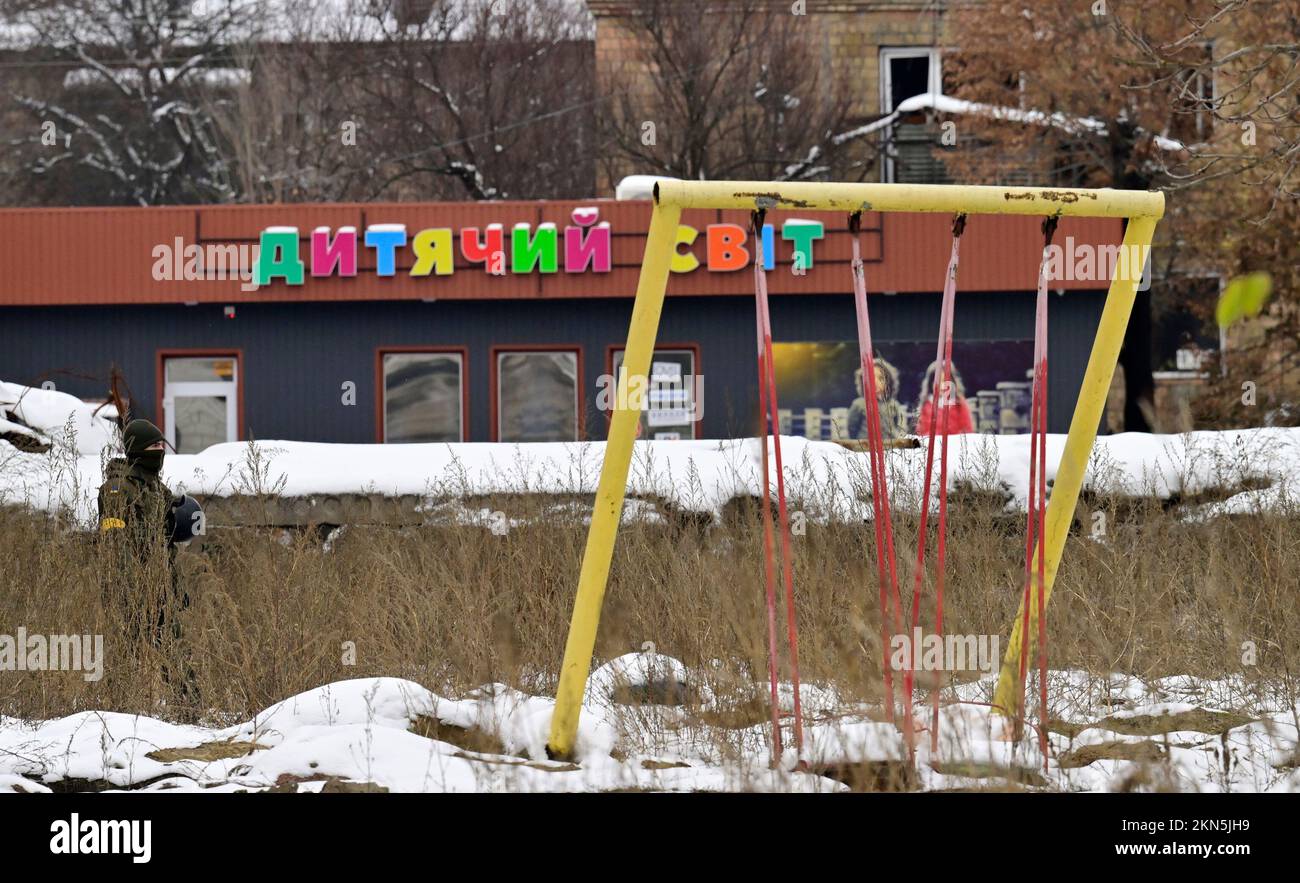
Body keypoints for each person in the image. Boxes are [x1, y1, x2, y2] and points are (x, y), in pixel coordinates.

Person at [97, 418, 198, 710]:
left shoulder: (157, 489)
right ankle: (120, 712)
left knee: (175, 651)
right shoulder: (117, 490)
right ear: (138, 449)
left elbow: (166, 547)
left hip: (160, 588)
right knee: (126, 655)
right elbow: (116, 546)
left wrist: (175, 588)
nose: (160, 451)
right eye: (154, 445)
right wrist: (133, 592)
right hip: (129, 590)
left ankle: (189, 710)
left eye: (161, 445)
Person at [847, 357, 909, 442]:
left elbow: (901, 427)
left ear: (889, 381)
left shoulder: (894, 404)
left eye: (881, 378)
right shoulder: (859, 404)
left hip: (889, 448)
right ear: (863, 380)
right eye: (871, 377)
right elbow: (852, 428)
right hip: (866, 448)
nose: (875, 382)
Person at [914, 360, 976, 436]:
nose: (942, 386)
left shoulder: (959, 404)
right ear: (930, 383)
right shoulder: (925, 405)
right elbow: (921, 433)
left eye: (945, 381)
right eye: (938, 381)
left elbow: (967, 431)